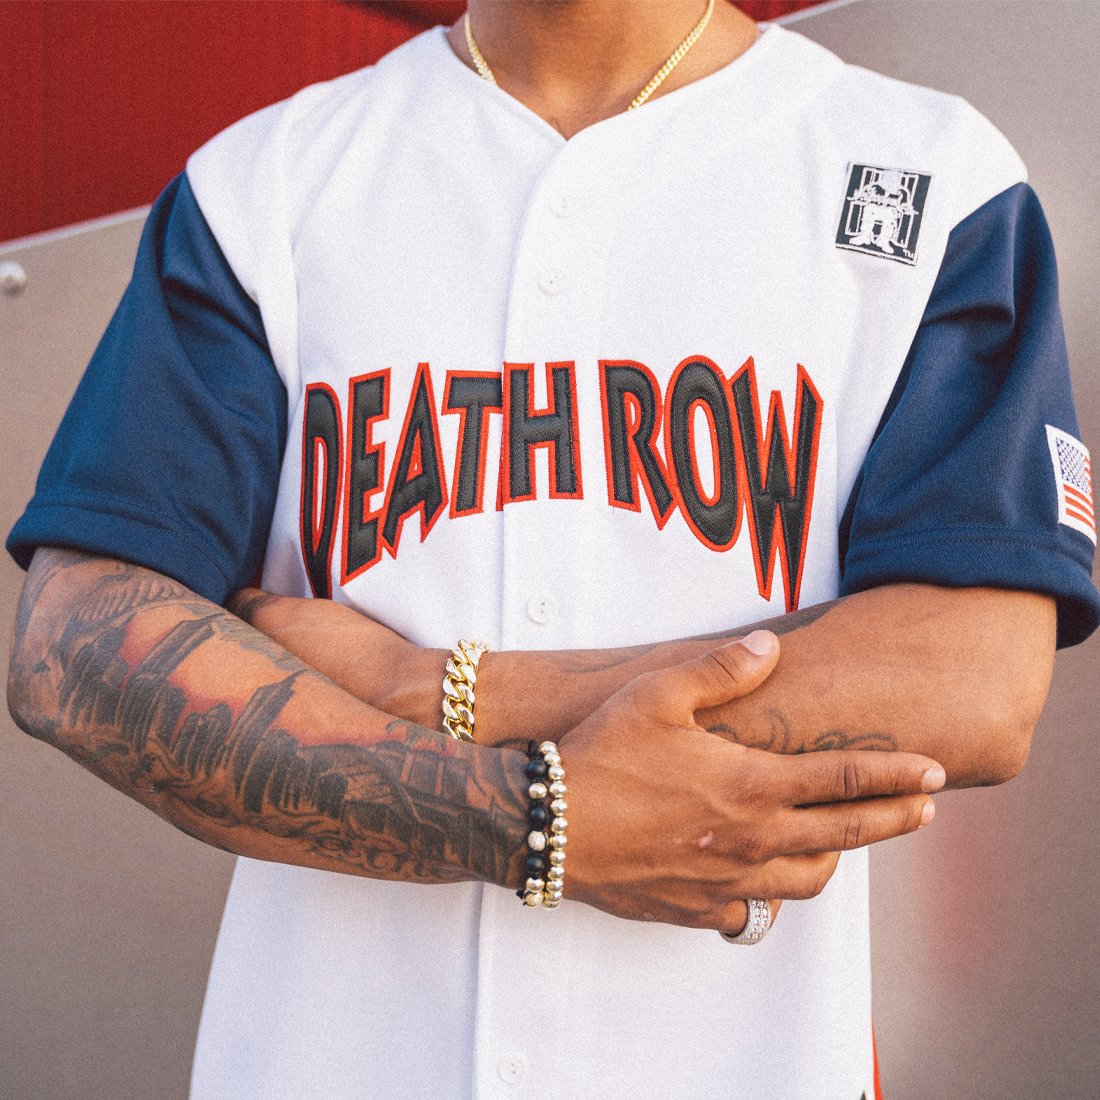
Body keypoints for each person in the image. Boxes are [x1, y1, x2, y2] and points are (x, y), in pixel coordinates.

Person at [7, 1, 1098, 1096]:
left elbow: (970, 678)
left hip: (737, 1061)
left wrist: (435, 687)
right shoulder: (266, 183)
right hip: (332, 1057)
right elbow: (76, 646)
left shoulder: (929, 172)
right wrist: (531, 821)